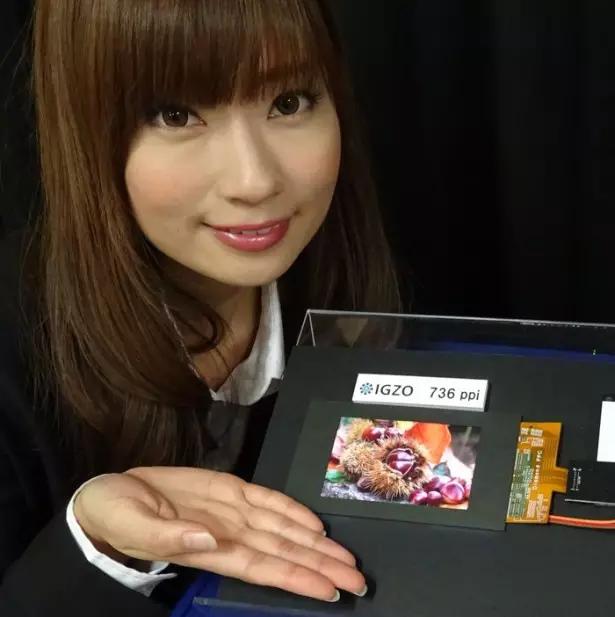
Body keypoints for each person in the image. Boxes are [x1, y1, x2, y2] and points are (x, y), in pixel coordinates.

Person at [0, 0, 401, 615]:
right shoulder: (15, 355)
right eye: (176, 114)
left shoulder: (351, 292)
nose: (254, 181)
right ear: (84, 127)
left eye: (288, 102)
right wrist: (96, 550)